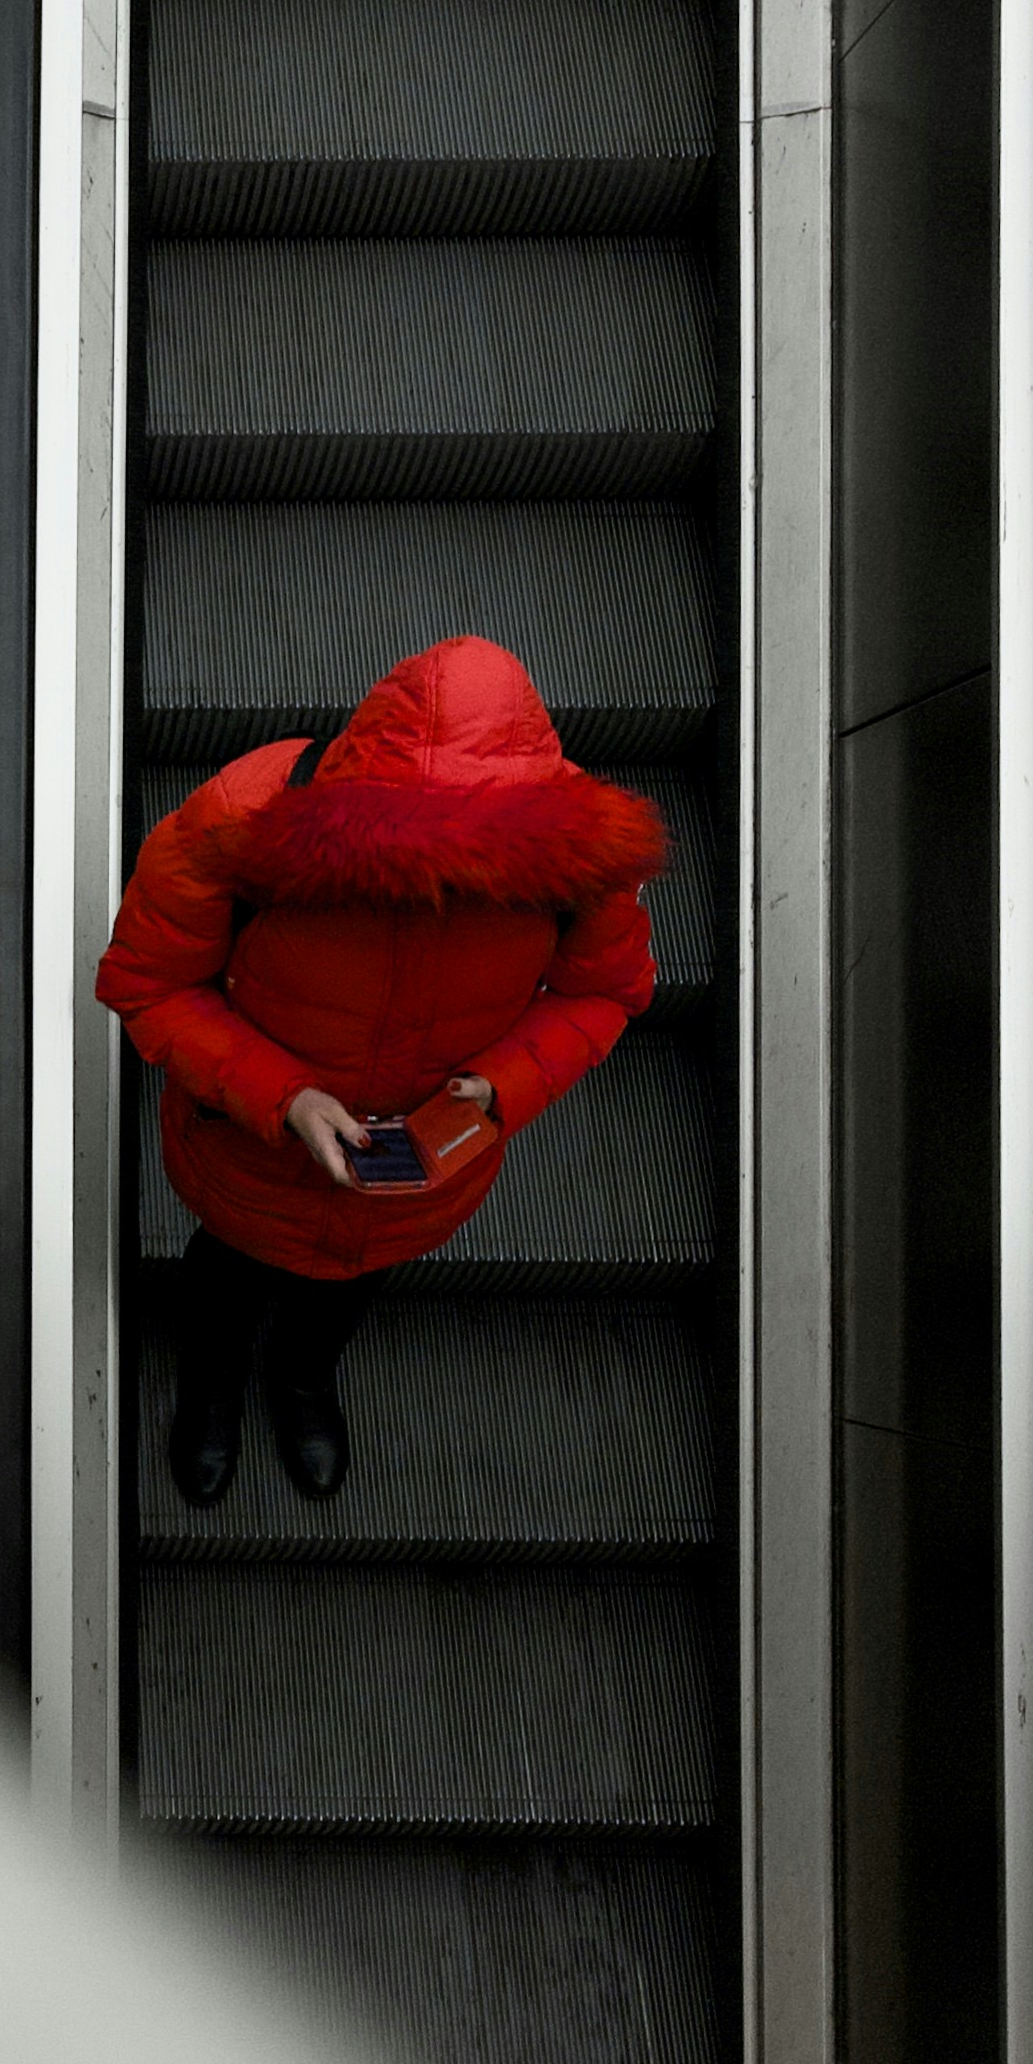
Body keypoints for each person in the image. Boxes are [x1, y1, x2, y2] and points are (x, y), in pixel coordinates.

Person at [95, 632, 666, 1502]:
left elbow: (607, 993)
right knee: (227, 1264)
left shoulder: (581, 850)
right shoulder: (244, 819)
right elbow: (145, 981)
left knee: (355, 1279)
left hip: (419, 1167)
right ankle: (212, 1383)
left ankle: (302, 1377)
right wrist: (284, 1098)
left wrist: (503, 1085)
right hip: (252, 1145)